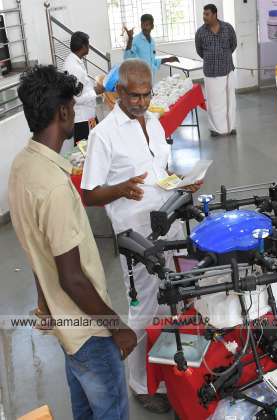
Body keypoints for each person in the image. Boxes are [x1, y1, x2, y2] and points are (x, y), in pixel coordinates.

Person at [9, 65, 137, 420]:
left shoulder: (22, 167)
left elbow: (37, 250)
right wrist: (118, 328)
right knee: (110, 412)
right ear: (64, 112)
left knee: (85, 411)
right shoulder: (53, 186)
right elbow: (71, 277)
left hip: (68, 329)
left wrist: (44, 302)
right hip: (89, 332)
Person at [81, 59, 202, 414]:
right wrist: (119, 189)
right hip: (136, 235)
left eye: (147, 94)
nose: (142, 102)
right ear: (118, 92)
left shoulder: (153, 121)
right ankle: (138, 383)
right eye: (134, 96)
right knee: (144, 308)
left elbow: (159, 170)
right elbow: (88, 194)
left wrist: (182, 182)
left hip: (168, 220)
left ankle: (164, 374)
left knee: (169, 300)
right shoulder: (104, 135)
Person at [195, 4, 237, 137]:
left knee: (229, 100)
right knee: (213, 103)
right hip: (211, 72)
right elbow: (199, 50)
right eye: (204, 14)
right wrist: (211, 58)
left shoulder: (227, 28)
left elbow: (233, 44)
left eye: (207, 14)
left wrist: (223, 56)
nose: (204, 17)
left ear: (214, 14)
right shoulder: (200, 32)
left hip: (227, 69)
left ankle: (230, 127)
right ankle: (215, 129)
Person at [63, 31, 104, 144]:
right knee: (85, 149)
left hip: (88, 115)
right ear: (83, 46)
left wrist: (94, 88)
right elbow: (76, 98)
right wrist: (95, 91)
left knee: (95, 143)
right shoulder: (73, 67)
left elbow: (82, 88)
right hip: (82, 119)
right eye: (88, 44)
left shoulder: (76, 61)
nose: (89, 47)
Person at [123, 14, 178, 78]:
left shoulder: (152, 42)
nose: (144, 28)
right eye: (142, 25)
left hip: (151, 78)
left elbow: (152, 62)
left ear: (152, 26)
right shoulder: (135, 40)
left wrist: (167, 59)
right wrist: (130, 39)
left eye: (147, 25)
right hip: (139, 79)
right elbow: (127, 57)